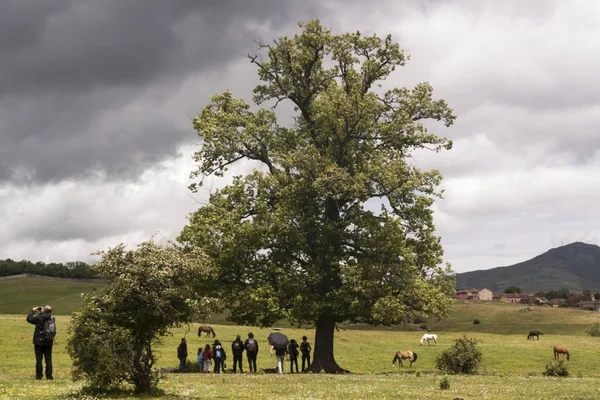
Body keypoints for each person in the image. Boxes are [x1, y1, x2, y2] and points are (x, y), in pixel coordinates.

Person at [26, 305, 54, 380]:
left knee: (39, 359)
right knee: (48, 359)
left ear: (44, 310)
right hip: (48, 341)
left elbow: (29, 319)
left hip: (39, 341)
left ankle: (39, 376)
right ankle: (49, 376)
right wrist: (42, 312)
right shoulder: (52, 318)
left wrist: (33, 311)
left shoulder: (39, 318)